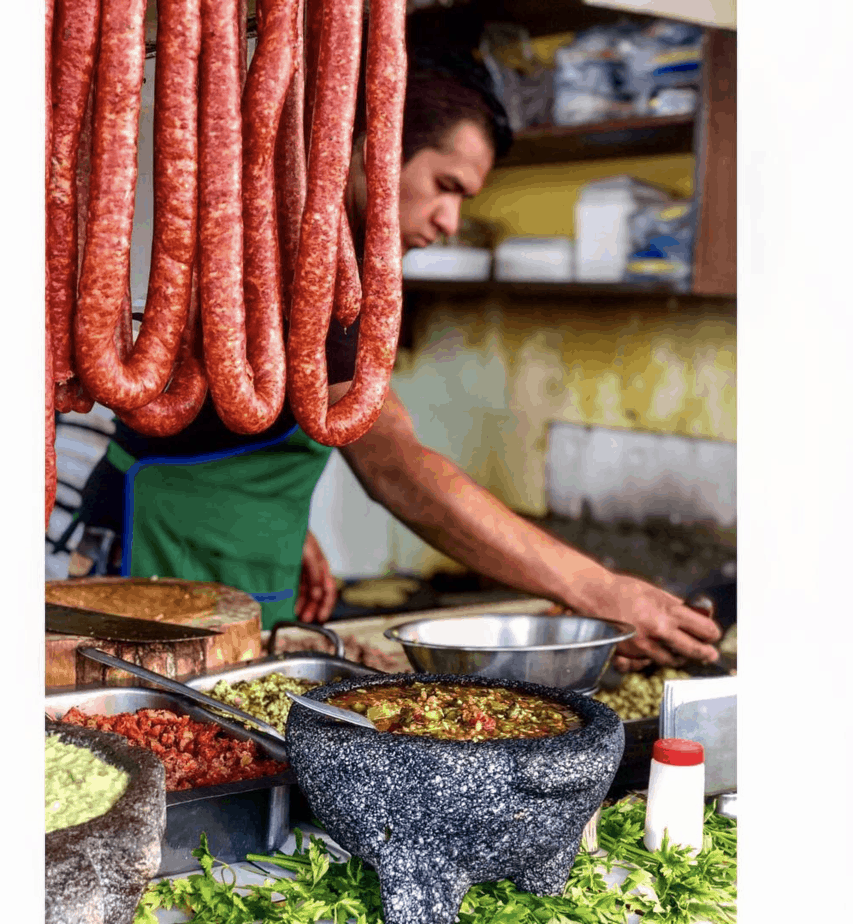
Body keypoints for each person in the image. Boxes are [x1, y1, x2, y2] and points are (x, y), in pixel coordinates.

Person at [74, 61, 721, 672]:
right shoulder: (301, 255)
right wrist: (595, 586)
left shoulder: (339, 262)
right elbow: (395, 464)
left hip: (243, 553)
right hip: (160, 552)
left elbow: (250, 420)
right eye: (446, 187)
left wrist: (283, 521)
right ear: (372, 151)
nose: (450, 221)